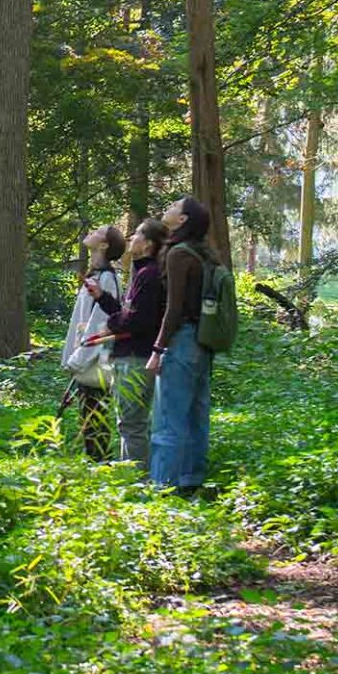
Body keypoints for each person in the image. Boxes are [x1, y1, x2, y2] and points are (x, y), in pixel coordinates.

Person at [146, 196, 219, 493]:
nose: (169, 207)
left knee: (168, 417)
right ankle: (192, 481)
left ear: (183, 219)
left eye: (175, 206)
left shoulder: (178, 254)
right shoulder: (206, 255)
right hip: (204, 341)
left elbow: (173, 309)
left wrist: (158, 349)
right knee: (196, 415)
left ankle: (162, 487)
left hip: (183, 340)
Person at [87, 216, 166, 468]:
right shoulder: (142, 273)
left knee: (132, 423)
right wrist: (102, 298)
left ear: (149, 244)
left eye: (138, 235)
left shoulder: (149, 275)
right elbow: (127, 313)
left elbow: (137, 320)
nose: (132, 238)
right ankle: (131, 477)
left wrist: (110, 325)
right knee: (130, 422)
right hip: (132, 356)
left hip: (135, 358)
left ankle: (135, 482)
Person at [61, 225, 125, 459]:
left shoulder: (108, 278)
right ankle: (96, 465)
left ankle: (100, 466)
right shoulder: (96, 275)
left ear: (104, 245)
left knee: (95, 418)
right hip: (87, 358)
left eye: (99, 231)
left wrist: (79, 358)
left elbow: (101, 323)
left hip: (96, 360)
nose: (92, 231)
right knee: (88, 417)